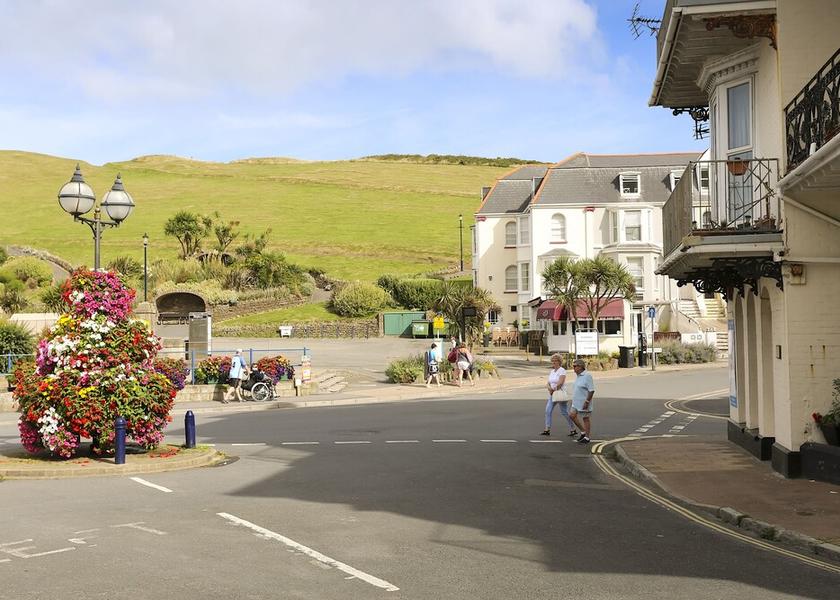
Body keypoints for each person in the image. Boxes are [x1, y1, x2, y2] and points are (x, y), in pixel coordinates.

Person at [540, 353, 577, 437]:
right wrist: (549, 388)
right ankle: (547, 429)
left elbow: (561, 382)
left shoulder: (562, 370)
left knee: (564, 412)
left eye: (555, 361)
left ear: (559, 361)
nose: (553, 362)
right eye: (552, 361)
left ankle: (573, 428)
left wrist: (553, 390)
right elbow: (548, 382)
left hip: (560, 393)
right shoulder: (552, 371)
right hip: (552, 394)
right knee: (548, 410)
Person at [569, 358, 595, 444]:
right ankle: (583, 431)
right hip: (576, 402)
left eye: (575, 366)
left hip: (584, 402)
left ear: (581, 367)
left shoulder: (587, 376)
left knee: (585, 418)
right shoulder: (578, 376)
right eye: (573, 366)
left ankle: (587, 437)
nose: (574, 368)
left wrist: (587, 401)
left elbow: (591, 390)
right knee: (572, 415)